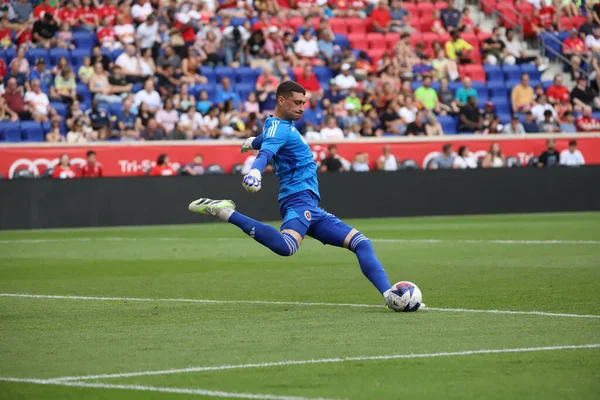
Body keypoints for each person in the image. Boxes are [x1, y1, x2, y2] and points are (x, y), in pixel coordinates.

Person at [188, 81, 394, 305]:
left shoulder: (276, 125)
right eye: (297, 102)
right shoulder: (279, 128)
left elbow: (269, 137)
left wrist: (252, 141)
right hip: (298, 199)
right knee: (287, 247)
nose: (302, 107)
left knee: (361, 243)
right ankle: (226, 212)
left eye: (304, 103)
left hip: (310, 204)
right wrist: (255, 171)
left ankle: (389, 294)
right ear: (281, 100)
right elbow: (266, 152)